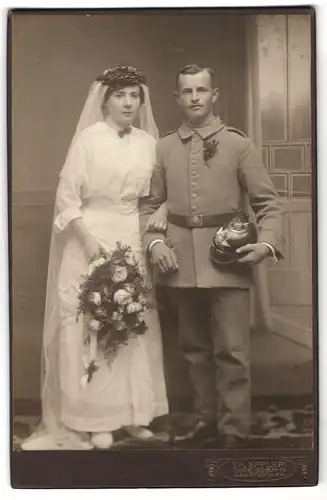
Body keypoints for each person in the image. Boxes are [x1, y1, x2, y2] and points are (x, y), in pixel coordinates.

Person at [22, 65, 169, 450]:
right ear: (104, 99)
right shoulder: (88, 139)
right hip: (90, 238)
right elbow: (67, 199)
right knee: (94, 325)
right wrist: (88, 242)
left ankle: (134, 415)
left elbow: (157, 195)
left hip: (132, 238)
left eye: (134, 95)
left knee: (132, 323)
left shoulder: (148, 143)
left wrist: (164, 209)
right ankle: (95, 419)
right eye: (120, 95)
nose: (128, 102)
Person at [139, 64, 285, 449]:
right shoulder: (166, 146)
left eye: (202, 90)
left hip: (228, 261)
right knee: (194, 350)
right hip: (180, 264)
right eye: (187, 92)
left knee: (232, 351)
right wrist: (155, 244)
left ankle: (234, 430)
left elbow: (268, 204)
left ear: (214, 95)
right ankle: (206, 420)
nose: (195, 98)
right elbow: (150, 206)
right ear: (177, 98)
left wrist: (266, 243)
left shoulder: (239, 144)